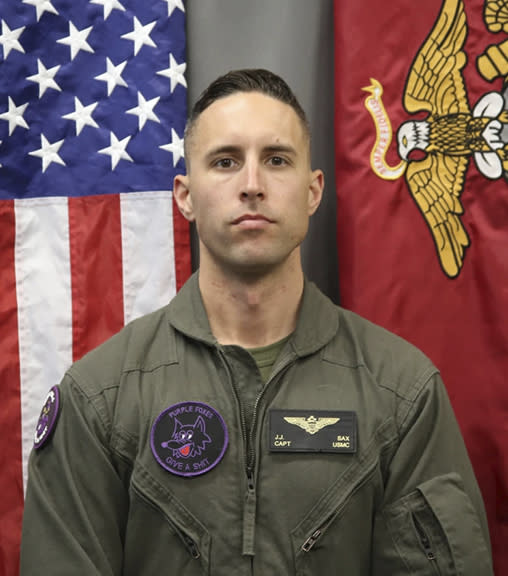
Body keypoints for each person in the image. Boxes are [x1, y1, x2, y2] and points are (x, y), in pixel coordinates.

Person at [20, 68, 493, 575]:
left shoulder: (402, 393)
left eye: (276, 160)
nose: (252, 185)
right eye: (225, 162)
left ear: (313, 192)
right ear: (185, 196)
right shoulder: (100, 397)